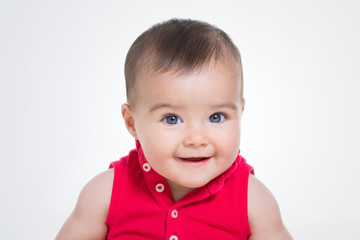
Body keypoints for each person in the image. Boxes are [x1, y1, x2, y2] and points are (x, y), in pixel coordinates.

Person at [56, 19, 292, 240]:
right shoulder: (105, 194)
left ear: (240, 113)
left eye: (216, 117)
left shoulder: (253, 201)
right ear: (132, 123)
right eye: (171, 119)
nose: (196, 139)